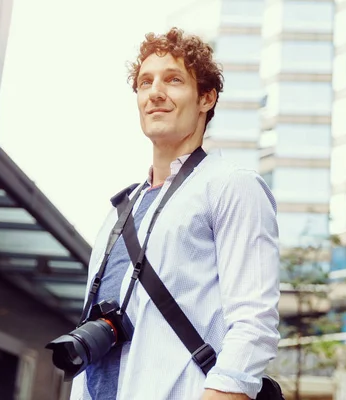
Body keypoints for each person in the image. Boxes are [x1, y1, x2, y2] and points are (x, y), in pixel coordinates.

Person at [69, 27, 281, 400]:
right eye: (145, 82)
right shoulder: (118, 212)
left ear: (206, 98)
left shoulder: (232, 186)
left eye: (173, 80)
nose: (155, 93)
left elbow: (254, 324)